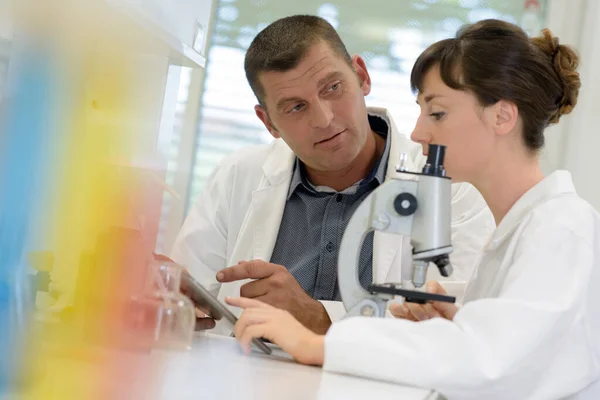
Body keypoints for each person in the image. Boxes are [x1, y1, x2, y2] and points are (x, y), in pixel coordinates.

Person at [226, 19, 600, 400]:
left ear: (502, 116)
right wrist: (452, 326)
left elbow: (489, 362)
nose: (419, 132)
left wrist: (315, 344)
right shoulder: (519, 233)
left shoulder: (562, 228)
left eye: (437, 113)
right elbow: (502, 350)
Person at [171, 15, 494, 335]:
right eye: (296, 107)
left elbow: (458, 321)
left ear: (361, 76)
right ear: (268, 122)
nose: (324, 119)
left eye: (333, 88)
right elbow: (190, 300)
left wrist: (320, 317)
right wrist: (173, 302)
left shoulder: (451, 187)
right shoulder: (237, 176)